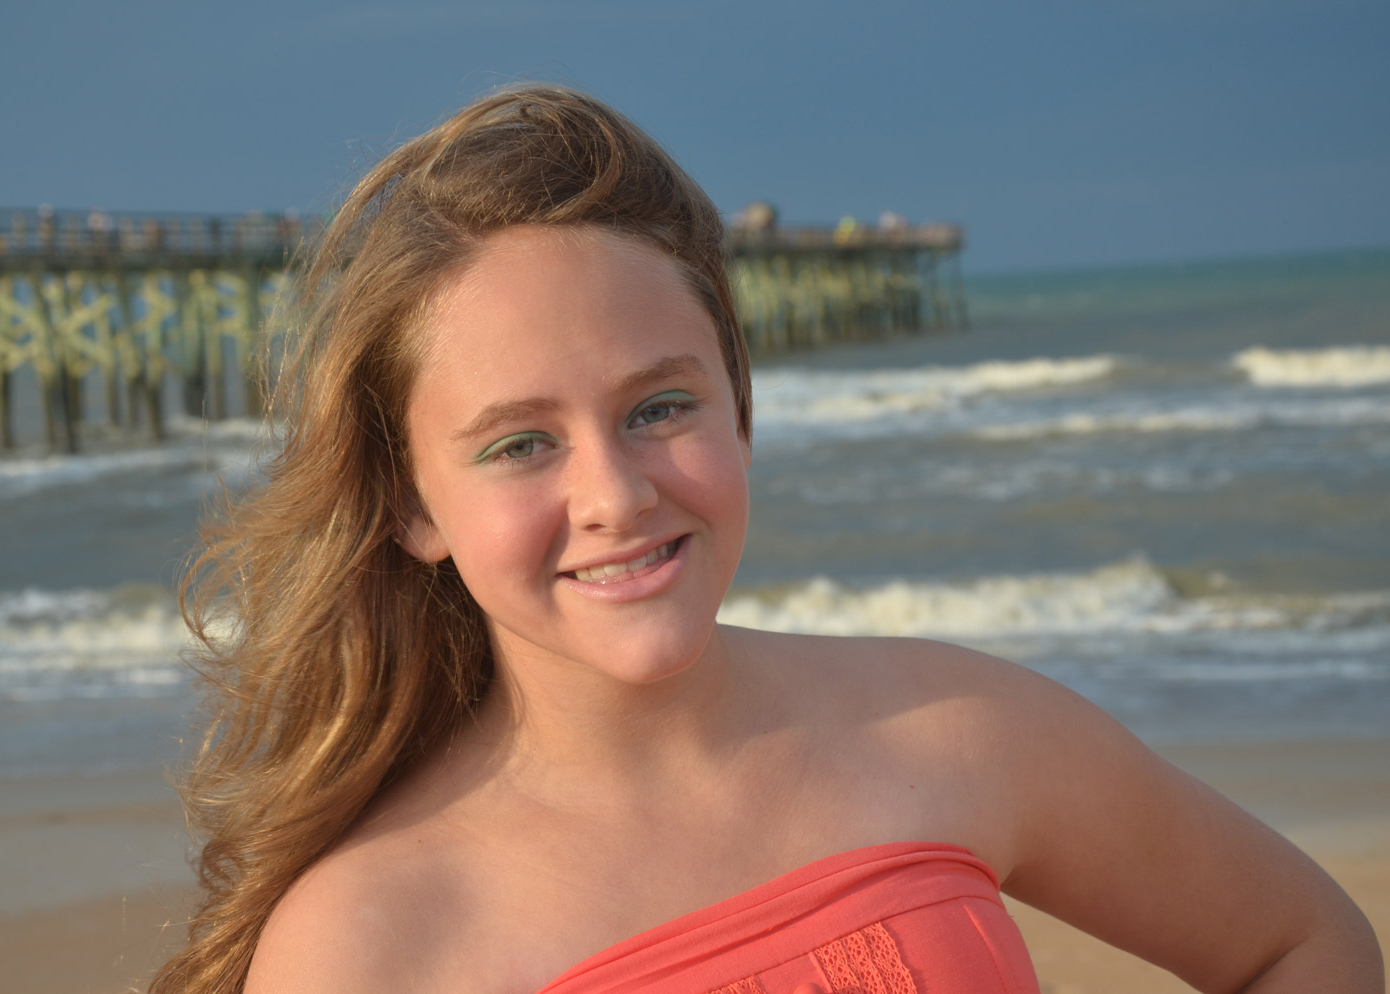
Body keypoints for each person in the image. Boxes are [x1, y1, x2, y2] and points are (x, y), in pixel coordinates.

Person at [149, 85, 1382, 994]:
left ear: (739, 402)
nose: (616, 494)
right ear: (413, 502)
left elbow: (1303, 940)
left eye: (659, 407)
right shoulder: (372, 940)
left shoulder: (951, 729)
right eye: (521, 443)